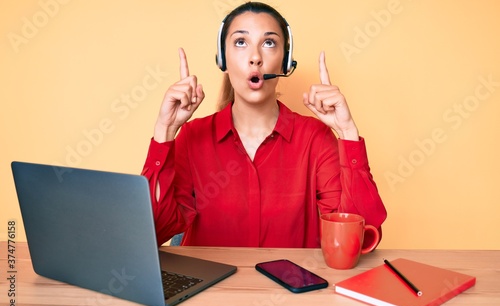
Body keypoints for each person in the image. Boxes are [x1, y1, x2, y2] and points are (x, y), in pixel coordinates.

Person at [142, 1, 387, 248]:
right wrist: (165, 130)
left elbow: (357, 239)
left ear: (285, 62)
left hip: (288, 288)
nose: (255, 58)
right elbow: (153, 232)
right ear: (222, 60)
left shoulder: (316, 138)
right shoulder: (193, 136)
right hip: (214, 288)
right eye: (240, 42)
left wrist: (347, 132)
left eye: (269, 43)